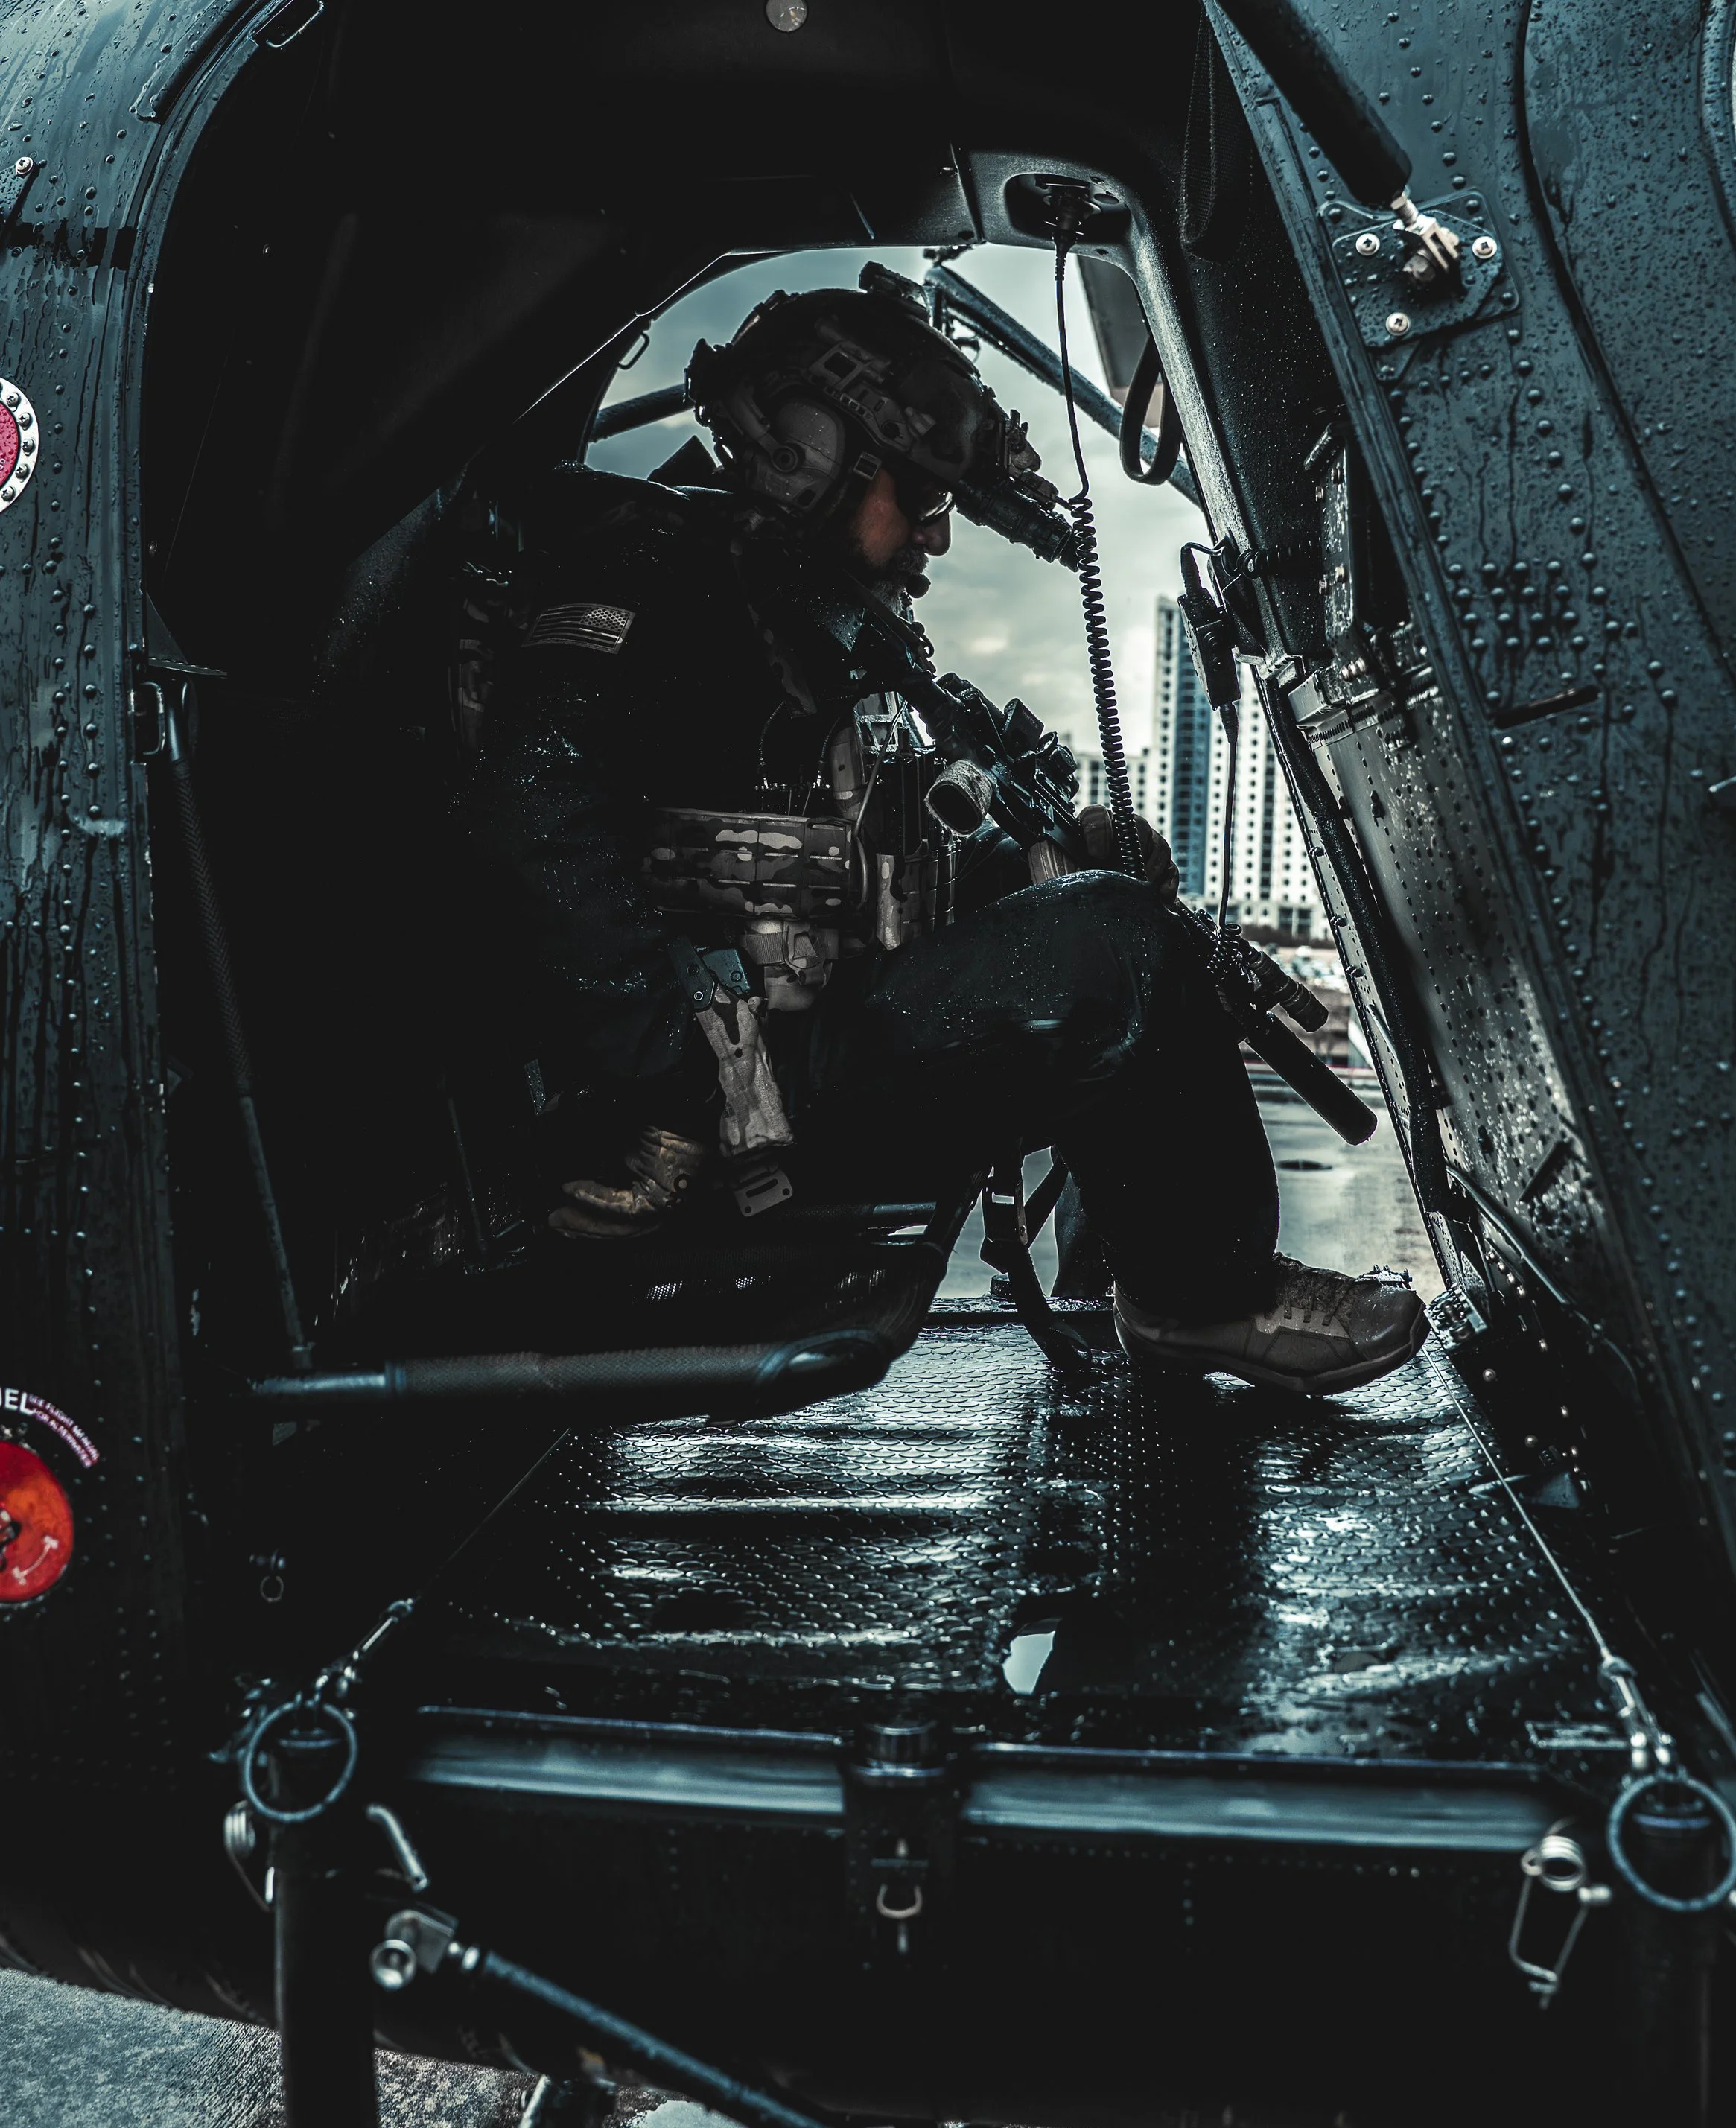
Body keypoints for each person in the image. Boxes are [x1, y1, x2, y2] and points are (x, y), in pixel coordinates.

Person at [457, 280, 1425, 1397]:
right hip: (733, 1101)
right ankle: (1206, 1298)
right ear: (816, 459)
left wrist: (1032, 871)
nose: (937, 529)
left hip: (788, 1050)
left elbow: (855, 868)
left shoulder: (809, 620)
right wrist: (670, 1080)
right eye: (918, 492)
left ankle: (1170, 1275)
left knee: (1104, 901)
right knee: (1113, 941)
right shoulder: (666, 585)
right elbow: (528, 826)